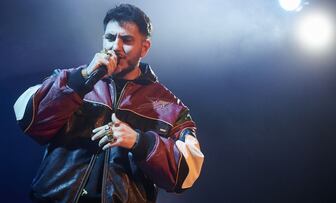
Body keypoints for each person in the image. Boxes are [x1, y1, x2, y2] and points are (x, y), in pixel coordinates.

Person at [13, 4, 204, 203]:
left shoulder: (169, 106)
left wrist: (139, 142)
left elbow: (186, 174)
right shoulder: (70, 79)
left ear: (144, 48)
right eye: (110, 38)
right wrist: (82, 79)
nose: (116, 47)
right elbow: (29, 120)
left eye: (126, 40)